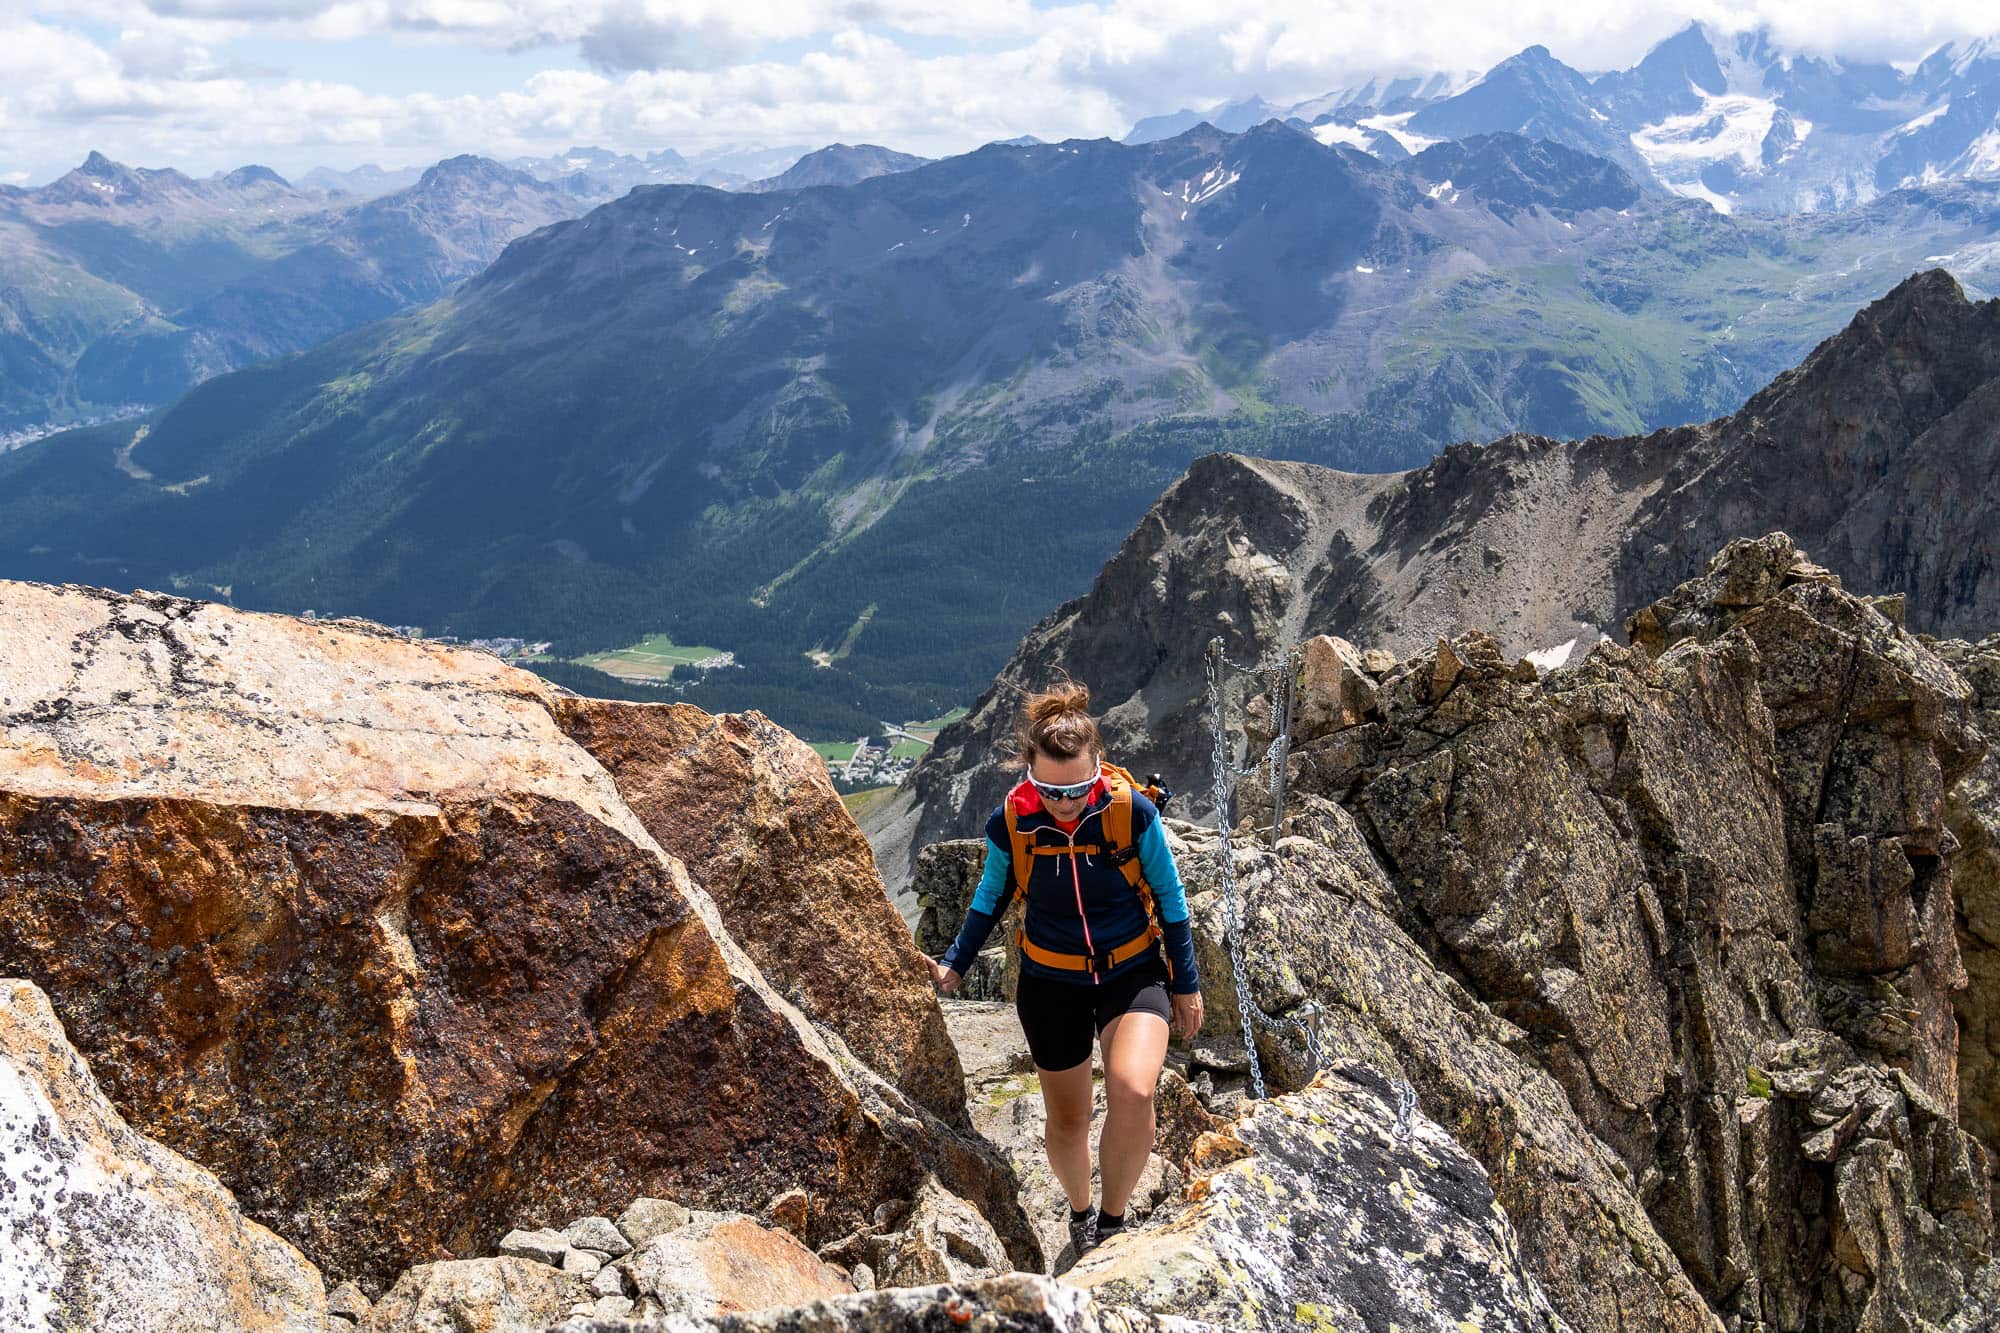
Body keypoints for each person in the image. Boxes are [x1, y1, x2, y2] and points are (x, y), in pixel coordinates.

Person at [925, 679, 1203, 1270]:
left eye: (1079, 788)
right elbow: (990, 895)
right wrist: (955, 962)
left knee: (1134, 1088)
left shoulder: (1131, 812)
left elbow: (1170, 897)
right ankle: (1080, 1213)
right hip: (1050, 983)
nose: (1066, 802)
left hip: (1132, 972)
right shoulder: (1014, 823)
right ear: (1029, 775)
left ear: (1098, 768)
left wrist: (1186, 982)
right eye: (1050, 790)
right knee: (1069, 1118)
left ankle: (1113, 1219)